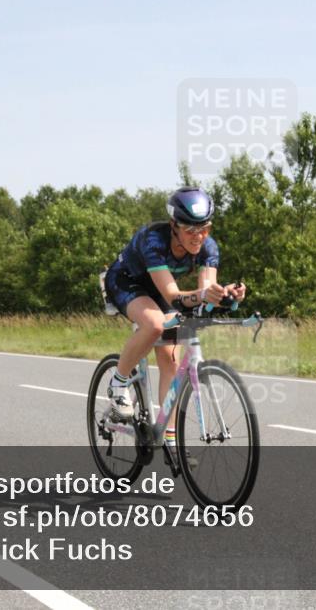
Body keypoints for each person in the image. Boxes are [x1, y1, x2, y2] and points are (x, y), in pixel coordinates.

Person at [102, 187, 246, 452]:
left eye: (205, 228)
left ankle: (168, 435)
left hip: (160, 288)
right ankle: (119, 382)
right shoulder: (153, 241)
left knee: (170, 358)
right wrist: (202, 295)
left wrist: (226, 296)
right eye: (190, 230)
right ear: (173, 226)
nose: (198, 236)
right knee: (155, 325)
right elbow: (174, 295)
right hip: (126, 282)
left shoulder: (208, 247)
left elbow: (205, 292)